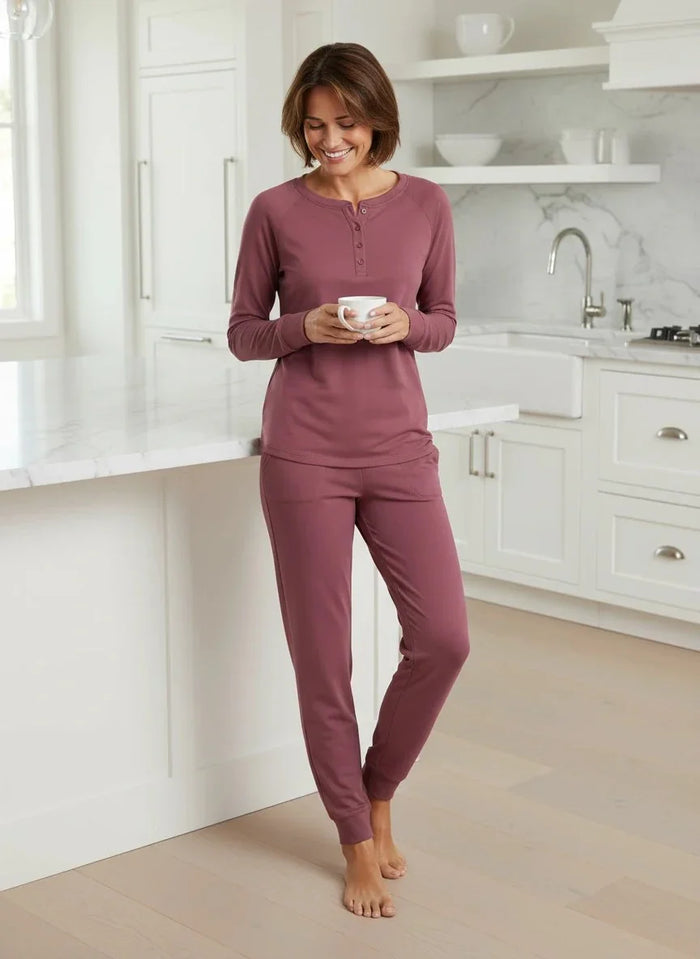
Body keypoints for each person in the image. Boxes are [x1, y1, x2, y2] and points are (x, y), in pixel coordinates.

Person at [227, 42, 470, 920]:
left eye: (347, 123)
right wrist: (306, 327)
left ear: (377, 120)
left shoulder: (427, 203)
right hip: (305, 454)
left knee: (443, 638)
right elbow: (244, 331)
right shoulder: (273, 210)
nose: (329, 140)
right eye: (314, 124)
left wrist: (407, 324)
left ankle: (379, 787)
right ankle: (354, 839)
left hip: (400, 448)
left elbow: (445, 319)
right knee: (324, 659)